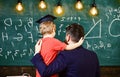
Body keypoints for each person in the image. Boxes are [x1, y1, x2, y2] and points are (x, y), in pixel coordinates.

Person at [31, 23, 100, 77]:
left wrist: (37, 54)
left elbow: (45, 72)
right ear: (82, 38)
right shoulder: (93, 55)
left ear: (68, 37)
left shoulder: (65, 55)